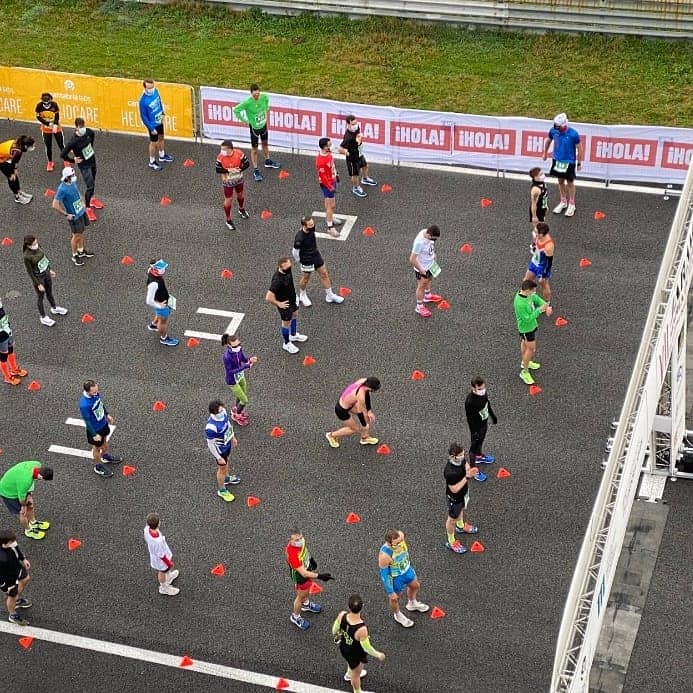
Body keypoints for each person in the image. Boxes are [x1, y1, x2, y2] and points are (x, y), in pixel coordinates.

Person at [332, 595, 385, 692]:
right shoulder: (361, 629)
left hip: (344, 647)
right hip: (355, 654)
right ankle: (358, 691)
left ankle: (349, 674)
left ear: (349, 607)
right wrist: (378, 654)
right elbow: (367, 648)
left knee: (350, 663)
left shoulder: (342, 615)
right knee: (356, 675)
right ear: (362, 606)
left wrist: (337, 636)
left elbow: (334, 629)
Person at [378, 529, 429, 628]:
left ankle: (412, 603)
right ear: (389, 543)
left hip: (407, 570)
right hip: (396, 577)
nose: (401, 544)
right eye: (397, 543)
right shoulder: (384, 556)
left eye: (401, 541)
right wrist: (390, 591)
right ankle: (397, 615)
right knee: (395, 598)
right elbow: (384, 575)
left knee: (415, 586)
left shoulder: (400, 536)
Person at [285, 529, 333, 631]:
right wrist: (321, 576)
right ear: (290, 540)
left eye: (301, 537)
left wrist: (311, 559)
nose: (300, 540)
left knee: (306, 590)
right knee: (300, 597)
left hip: (307, 568)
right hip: (300, 577)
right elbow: (303, 573)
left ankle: (306, 604)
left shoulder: (299, 544)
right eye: (297, 539)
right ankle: (295, 616)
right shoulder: (292, 554)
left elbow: (305, 551)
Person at [293, 215, 345, 307]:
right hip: (306, 259)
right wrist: (300, 260)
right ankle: (302, 295)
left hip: (316, 255)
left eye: (313, 223)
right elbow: (295, 252)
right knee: (306, 278)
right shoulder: (299, 238)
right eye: (310, 225)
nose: (313, 226)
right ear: (304, 226)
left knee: (324, 273)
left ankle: (330, 295)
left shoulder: (311, 230)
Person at [232, 84, 280, 182]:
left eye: (258, 94)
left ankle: (268, 161)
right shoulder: (247, 102)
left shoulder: (264, 97)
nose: (257, 96)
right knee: (255, 149)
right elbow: (236, 110)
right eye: (255, 95)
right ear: (251, 94)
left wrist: (266, 110)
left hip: (263, 126)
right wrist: (245, 121)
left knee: (265, 144)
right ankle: (256, 170)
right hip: (254, 128)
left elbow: (266, 101)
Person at [60, 117, 103, 221]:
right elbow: (63, 154)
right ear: (76, 128)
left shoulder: (88, 132)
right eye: (80, 127)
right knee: (90, 186)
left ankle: (91, 199)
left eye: (83, 126)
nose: (83, 128)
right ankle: (87, 208)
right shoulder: (73, 141)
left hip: (92, 161)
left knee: (93, 181)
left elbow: (92, 134)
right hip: (84, 165)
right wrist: (73, 160)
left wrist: (90, 147)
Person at [79, 380, 124, 477]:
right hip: (95, 429)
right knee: (96, 448)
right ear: (87, 391)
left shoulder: (95, 395)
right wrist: (94, 434)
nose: (96, 393)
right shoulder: (84, 404)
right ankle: (98, 466)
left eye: (96, 391)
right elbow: (87, 421)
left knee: (105, 442)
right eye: (94, 392)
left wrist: (107, 414)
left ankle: (105, 457)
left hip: (103, 424)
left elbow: (100, 404)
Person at [542, 113, 583, 218]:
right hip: (557, 160)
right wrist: (545, 152)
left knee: (570, 182)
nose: (557, 129)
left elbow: (580, 148)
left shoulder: (573, 134)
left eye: (558, 127)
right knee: (560, 181)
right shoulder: (553, 130)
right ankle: (563, 201)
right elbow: (548, 140)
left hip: (569, 161)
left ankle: (572, 204)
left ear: (564, 125)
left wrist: (579, 162)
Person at [52, 166, 94, 267]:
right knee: (76, 235)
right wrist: (66, 214)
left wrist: (82, 201)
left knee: (81, 232)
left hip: (80, 211)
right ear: (66, 177)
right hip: (74, 216)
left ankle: (81, 250)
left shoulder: (73, 182)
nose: (74, 177)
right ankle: (74, 255)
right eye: (72, 175)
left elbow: (77, 192)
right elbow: (54, 204)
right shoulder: (62, 189)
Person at [22, 235, 68, 327]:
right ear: (28, 245)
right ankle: (43, 317)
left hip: (46, 274)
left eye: (36, 242)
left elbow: (44, 259)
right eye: (34, 244)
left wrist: (49, 269)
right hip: (39, 278)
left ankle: (54, 308)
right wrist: (38, 284)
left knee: (50, 293)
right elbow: (30, 272)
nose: (36, 245)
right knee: (40, 297)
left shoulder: (39, 247)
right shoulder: (27, 256)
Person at [0, 461, 53, 541]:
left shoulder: (37, 464)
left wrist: (29, 496)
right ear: (40, 476)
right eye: (42, 479)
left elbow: (29, 484)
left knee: (30, 505)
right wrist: (24, 506)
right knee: (23, 513)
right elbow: (21, 497)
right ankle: (28, 531)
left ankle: (33, 522)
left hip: (18, 485)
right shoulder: (26, 481)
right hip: (8, 492)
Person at [265, 257, 307, 355]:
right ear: (280, 267)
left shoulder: (286, 271)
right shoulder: (277, 281)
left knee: (295, 315)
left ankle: (293, 334)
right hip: (285, 304)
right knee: (286, 323)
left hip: (292, 299)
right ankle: (286, 343)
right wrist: (279, 304)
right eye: (287, 267)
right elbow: (268, 297)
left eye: (290, 266)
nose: (289, 268)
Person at [514, 279, 552, 385]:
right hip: (526, 328)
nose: (534, 293)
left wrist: (545, 305)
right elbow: (527, 319)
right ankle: (524, 372)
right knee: (531, 348)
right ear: (526, 290)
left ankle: (525, 362)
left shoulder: (527, 295)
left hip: (530, 327)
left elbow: (535, 298)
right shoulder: (520, 303)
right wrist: (540, 310)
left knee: (525, 344)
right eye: (533, 291)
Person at [443, 443, 480, 554]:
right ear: (452, 456)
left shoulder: (461, 460)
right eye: (460, 455)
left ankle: (460, 526)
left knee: (462, 508)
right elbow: (454, 489)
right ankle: (451, 541)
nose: (463, 457)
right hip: (454, 497)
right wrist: (467, 476)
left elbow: (466, 465)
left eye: (463, 454)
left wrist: (469, 470)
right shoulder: (450, 472)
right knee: (452, 519)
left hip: (463, 493)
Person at [325, 377, 380, 449]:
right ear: (370, 388)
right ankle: (331, 435)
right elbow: (359, 412)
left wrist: (369, 411)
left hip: (349, 403)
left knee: (366, 416)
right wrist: (364, 425)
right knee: (354, 429)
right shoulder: (360, 395)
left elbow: (367, 394)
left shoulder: (364, 381)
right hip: (341, 410)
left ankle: (364, 438)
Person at [205, 400, 241, 502]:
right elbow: (210, 444)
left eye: (222, 409)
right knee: (221, 469)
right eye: (220, 411)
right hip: (220, 449)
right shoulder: (211, 428)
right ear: (214, 413)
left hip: (227, 444)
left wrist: (232, 437)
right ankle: (222, 490)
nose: (222, 412)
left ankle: (227, 478)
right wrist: (218, 457)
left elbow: (228, 424)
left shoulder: (224, 413)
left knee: (226, 463)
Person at [221, 334, 258, 426]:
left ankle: (236, 409)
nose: (238, 347)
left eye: (239, 344)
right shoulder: (227, 357)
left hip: (240, 376)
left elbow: (243, 359)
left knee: (242, 394)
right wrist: (245, 366)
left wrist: (250, 360)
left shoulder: (239, 350)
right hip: (232, 381)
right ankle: (236, 415)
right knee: (245, 400)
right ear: (229, 345)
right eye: (235, 346)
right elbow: (230, 372)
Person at [338, 115, 378, 198]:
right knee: (355, 174)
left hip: (359, 153)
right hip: (352, 158)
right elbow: (340, 149)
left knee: (365, 166)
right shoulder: (348, 137)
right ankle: (355, 188)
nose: (356, 125)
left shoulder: (356, 128)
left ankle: (365, 179)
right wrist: (347, 152)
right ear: (348, 124)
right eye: (353, 124)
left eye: (356, 123)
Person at [139, 79, 174, 171]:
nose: (152, 89)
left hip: (159, 120)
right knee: (153, 143)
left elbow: (159, 102)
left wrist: (162, 114)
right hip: (152, 125)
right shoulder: (143, 101)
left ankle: (162, 156)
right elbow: (143, 117)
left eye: (152, 87)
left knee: (161, 137)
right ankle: (152, 161)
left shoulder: (156, 91)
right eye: (149, 88)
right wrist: (151, 128)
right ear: (145, 87)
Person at [215, 139, 250, 231]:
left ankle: (241, 209)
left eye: (224, 149)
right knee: (228, 200)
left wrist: (240, 169)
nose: (222, 151)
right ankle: (228, 220)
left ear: (230, 149)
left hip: (239, 179)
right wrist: (228, 170)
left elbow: (247, 164)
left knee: (240, 195)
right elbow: (217, 169)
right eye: (221, 149)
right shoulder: (220, 157)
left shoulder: (239, 153)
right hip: (227, 182)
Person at [0, 530, 33, 625]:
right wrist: (5, 588)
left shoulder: (11, 544)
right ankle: (12, 615)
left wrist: (23, 559)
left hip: (16, 568)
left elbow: (16, 548)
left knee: (26, 578)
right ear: (4, 543)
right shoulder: (2, 559)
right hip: (8, 579)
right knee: (12, 596)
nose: (14, 542)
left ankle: (17, 600)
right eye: (11, 541)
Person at [409, 225, 442, 318]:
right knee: (421, 286)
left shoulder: (427, 232)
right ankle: (419, 306)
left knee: (430, 279)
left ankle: (428, 296)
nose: (434, 241)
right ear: (428, 234)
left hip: (430, 264)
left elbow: (431, 244)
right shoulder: (419, 243)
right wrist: (420, 269)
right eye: (433, 239)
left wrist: (433, 253)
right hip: (422, 268)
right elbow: (412, 259)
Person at [464, 377, 498, 469]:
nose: (482, 390)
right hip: (476, 427)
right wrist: (474, 432)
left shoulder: (483, 394)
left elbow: (487, 404)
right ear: (473, 388)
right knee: (473, 449)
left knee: (481, 441)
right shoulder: (470, 402)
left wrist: (492, 415)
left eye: (483, 388)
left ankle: (479, 456)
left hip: (483, 423)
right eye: (479, 389)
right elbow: (470, 419)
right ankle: (473, 470)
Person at [143, 513, 179, 596]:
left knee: (165, 570)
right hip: (161, 560)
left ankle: (168, 577)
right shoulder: (157, 542)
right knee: (162, 571)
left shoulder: (147, 529)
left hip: (159, 554)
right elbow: (162, 556)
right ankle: (163, 587)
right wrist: (169, 564)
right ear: (159, 523)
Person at [145, 259, 179, 347]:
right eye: (162, 268)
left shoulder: (150, 271)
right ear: (156, 269)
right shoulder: (154, 284)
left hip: (161, 299)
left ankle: (153, 325)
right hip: (161, 303)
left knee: (159, 316)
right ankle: (164, 338)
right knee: (163, 321)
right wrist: (159, 306)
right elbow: (149, 300)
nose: (164, 270)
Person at [316, 137, 343, 237]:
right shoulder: (321, 161)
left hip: (332, 180)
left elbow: (332, 165)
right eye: (329, 145)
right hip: (327, 184)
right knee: (329, 205)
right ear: (324, 147)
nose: (331, 146)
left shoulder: (328, 153)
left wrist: (336, 174)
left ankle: (330, 217)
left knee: (332, 205)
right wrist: (330, 186)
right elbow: (323, 177)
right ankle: (330, 227)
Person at [524, 222, 555, 304]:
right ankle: (531, 297)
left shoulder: (549, 246)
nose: (535, 233)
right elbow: (535, 242)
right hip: (534, 262)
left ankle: (547, 303)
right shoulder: (538, 236)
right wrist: (533, 246)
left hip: (542, 267)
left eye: (536, 232)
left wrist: (544, 276)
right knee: (526, 281)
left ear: (541, 234)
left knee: (543, 284)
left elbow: (549, 263)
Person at [0, 299, 28, 386]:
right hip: (1, 335)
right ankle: (7, 377)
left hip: (7, 329)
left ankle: (14, 370)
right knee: (3, 356)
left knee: (11, 349)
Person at [0, 135, 35, 204]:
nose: (33, 147)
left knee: (15, 176)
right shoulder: (17, 152)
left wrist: (15, 170)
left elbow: (14, 162)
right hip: (1, 160)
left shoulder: (19, 144)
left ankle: (19, 192)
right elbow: (13, 162)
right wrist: (12, 172)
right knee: (11, 178)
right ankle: (17, 197)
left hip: (4, 157)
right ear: (25, 146)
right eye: (31, 146)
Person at [35, 92, 63, 172]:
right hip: (46, 129)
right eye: (45, 103)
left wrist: (55, 124)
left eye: (48, 103)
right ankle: (50, 162)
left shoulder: (54, 104)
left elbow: (57, 116)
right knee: (48, 146)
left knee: (61, 144)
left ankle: (66, 160)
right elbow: (38, 117)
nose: (47, 105)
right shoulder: (39, 106)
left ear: (50, 100)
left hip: (55, 128)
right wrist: (47, 123)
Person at [528, 166, 548, 235]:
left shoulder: (543, 183)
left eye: (543, 173)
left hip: (542, 208)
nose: (543, 175)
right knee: (538, 230)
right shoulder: (536, 190)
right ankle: (534, 244)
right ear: (535, 177)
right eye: (541, 175)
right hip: (537, 211)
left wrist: (545, 206)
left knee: (541, 228)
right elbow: (533, 204)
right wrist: (534, 216)